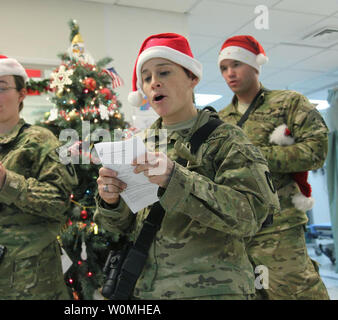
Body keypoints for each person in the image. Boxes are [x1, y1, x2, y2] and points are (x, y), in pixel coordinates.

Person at [94, 33, 279, 300]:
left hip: (214, 291)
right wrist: (111, 201)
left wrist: (174, 178)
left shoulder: (228, 140)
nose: (154, 82)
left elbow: (252, 217)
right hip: (147, 292)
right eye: (146, 77)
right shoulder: (138, 145)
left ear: (192, 77)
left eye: (164, 72)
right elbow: (120, 228)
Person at [0, 55, 78, 299]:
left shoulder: (42, 140)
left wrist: (6, 182)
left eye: (1, 87)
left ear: (22, 94)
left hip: (30, 281)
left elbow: (59, 203)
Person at [217, 35, 330, 300]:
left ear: (255, 65)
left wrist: (256, 156)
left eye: (236, 64)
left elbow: (317, 151)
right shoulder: (220, 120)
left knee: (294, 293)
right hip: (238, 231)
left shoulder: (288, 103)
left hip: (281, 227)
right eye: (224, 68)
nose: (230, 73)